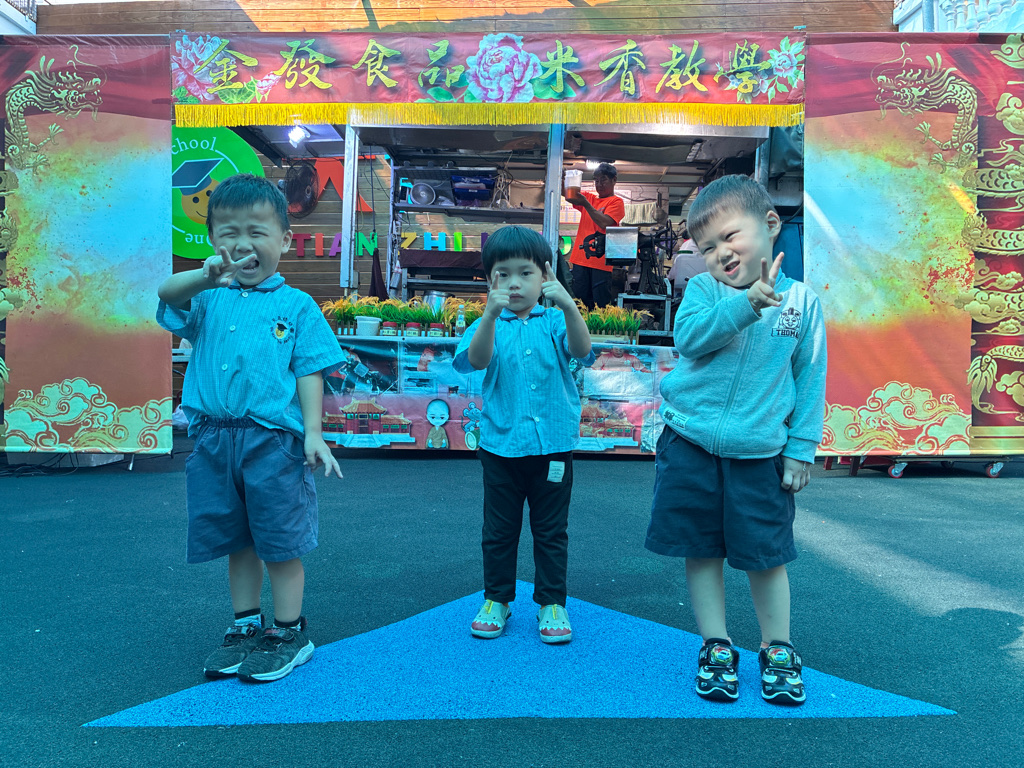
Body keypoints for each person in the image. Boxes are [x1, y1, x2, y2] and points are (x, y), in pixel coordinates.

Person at [644, 175, 826, 706]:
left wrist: (800, 449)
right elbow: (689, 341)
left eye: (729, 236)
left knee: (766, 554)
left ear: (770, 224)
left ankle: (778, 647)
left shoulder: (802, 303)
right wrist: (747, 303)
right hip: (690, 443)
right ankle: (716, 645)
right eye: (707, 248)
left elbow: (810, 377)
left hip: (760, 452)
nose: (720, 254)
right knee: (700, 550)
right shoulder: (705, 291)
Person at [156, 173, 344, 683]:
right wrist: (203, 276)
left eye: (258, 232)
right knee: (235, 540)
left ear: (284, 240)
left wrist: (312, 432)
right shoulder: (206, 298)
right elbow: (166, 294)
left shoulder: (297, 305)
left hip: (272, 443)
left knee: (279, 540)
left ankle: (288, 631)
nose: (243, 243)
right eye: (230, 232)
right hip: (214, 440)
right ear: (212, 240)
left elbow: (309, 371)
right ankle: (244, 626)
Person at [453, 225, 595, 644]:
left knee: (551, 530)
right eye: (503, 274)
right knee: (499, 530)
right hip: (501, 447)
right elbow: (477, 360)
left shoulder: (555, 321)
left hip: (553, 446)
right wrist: (488, 316)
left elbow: (583, 351)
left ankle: (552, 602)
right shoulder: (486, 324)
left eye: (526, 273)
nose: (514, 283)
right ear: (489, 280)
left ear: (545, 276)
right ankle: (496, 599)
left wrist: (569, 305)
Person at [565, 162, 625, 309]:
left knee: (601, 307)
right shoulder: (589, 198)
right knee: (578, 305)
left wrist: (586, 204)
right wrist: (564, 177)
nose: (599, 184)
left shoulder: (616, 202)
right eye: (596, 181)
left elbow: (604, 223)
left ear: (614, 180)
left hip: (601, 264)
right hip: (580, 260)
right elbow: (567, 194)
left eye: (603, 180)